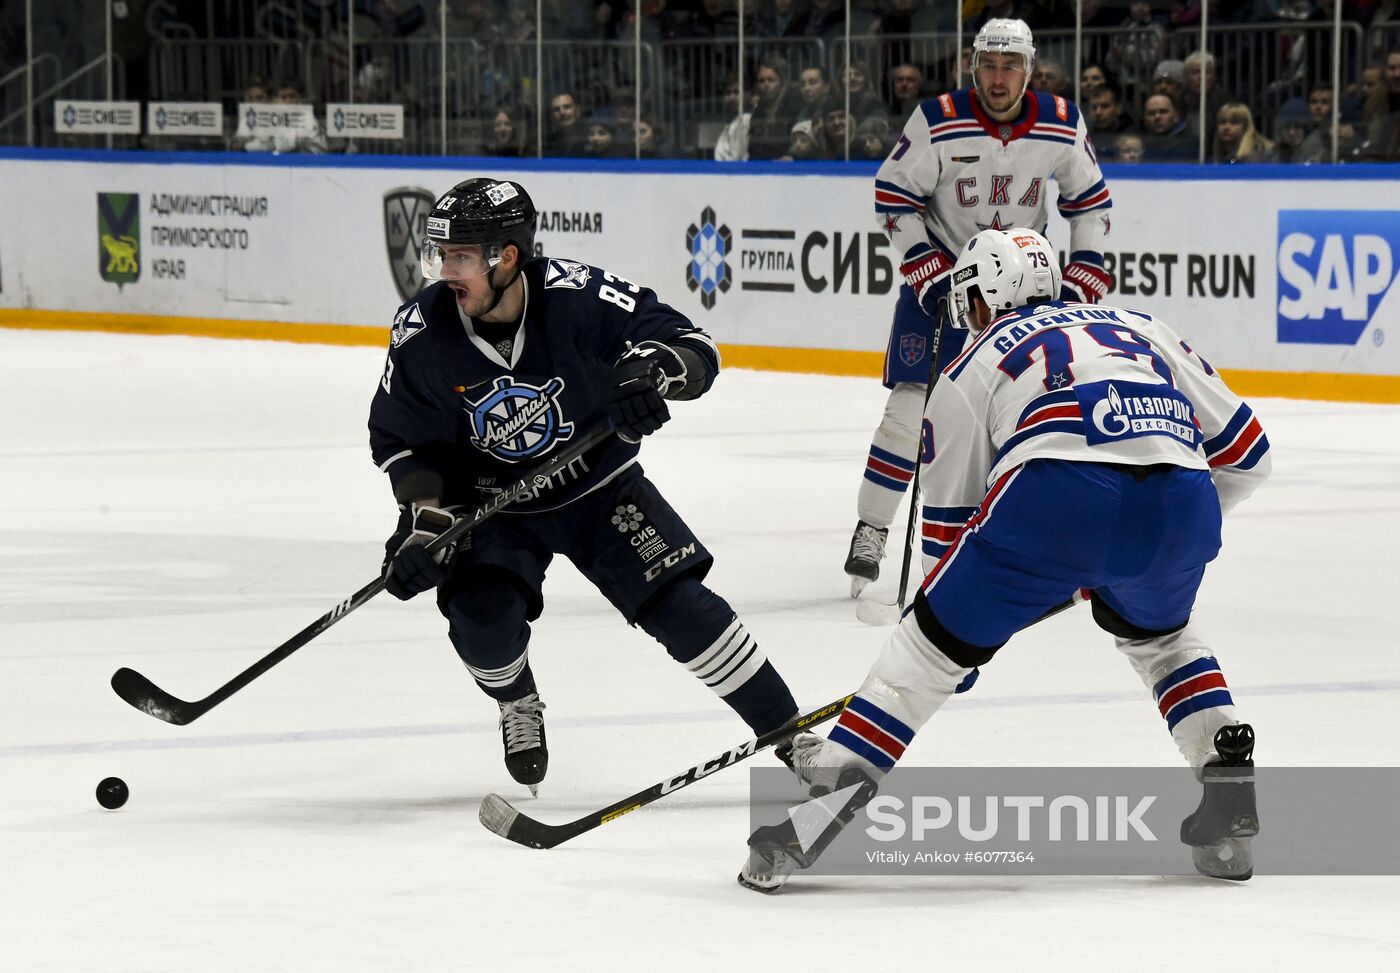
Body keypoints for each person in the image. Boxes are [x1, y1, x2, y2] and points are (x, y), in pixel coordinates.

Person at [742, 227, 1270, 893]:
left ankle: (810, 823)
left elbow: (949, 530)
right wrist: (1153, 541)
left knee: (921, 657)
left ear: (987, 296)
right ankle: (1224, 782)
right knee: (1161, 636)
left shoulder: (969, 368)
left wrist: (949, 646)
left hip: (1056, 500)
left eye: (968, 297)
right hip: (1183, 502)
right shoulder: (1143, 325)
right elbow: (1251, 457)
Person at [369, 178, 800, 793]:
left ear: (507, 256)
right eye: (442, 255)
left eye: (460, 256)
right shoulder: (422, 332)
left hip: (601, 490)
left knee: (686, 613)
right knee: (481, 620)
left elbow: (692, 346)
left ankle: (796, 738)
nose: (444, 271)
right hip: (494, 505)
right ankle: (517, 701)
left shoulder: (579, 296)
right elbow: (404, 439)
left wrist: (654, 377)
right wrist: (423, 521)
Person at [844, 18, 1115, 598]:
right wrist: (923, 264)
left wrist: (1084, 268)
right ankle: (872, 525)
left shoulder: (1062, 123)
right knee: (908, 411)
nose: (999, 77)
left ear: (1029, 69)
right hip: (947, 281)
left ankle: (1040, 542)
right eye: (989, 65)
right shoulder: (938, 119)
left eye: (1010, 65)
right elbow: (893, 194)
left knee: (1037, 415)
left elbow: (1090, 202)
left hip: (1023, 288)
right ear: (974, 67)